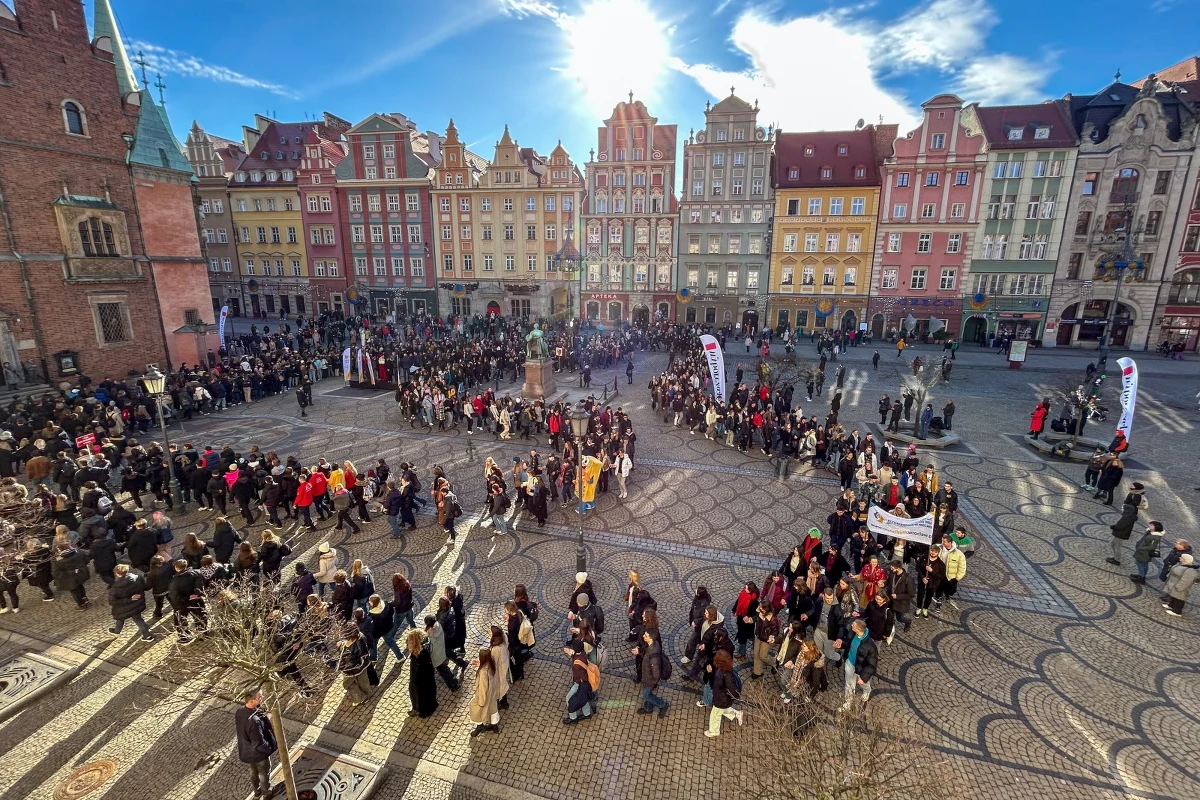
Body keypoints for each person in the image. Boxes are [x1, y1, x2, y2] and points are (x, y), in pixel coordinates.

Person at [235, 690, 278, 800]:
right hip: (259, 754)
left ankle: (257, 792)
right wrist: (271, 748)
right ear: (251, 700)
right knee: (263, 774)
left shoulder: (240, 711)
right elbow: (259, 744)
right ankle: (267, 793)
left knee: (253, 772)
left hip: (247, 751)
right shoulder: (254, 721)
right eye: (259, 697)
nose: (262, 697)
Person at [107, 564, 154, 642]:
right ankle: (147, 635)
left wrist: (129, 599)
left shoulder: (115, 587)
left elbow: (112, 601)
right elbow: (145, 587)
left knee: (122, 618)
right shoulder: (138, 578)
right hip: (137, 604)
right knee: (137, 619)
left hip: (123, 607)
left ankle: (117, 631)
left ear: (118, 574)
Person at [839, 618, 877, 710]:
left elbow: (871, 664)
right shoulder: (852, 633)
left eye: (853, 625)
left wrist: (864, 678)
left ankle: (867, 690)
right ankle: (848, 702)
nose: (851, 626)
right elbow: (848, 644)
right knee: (849, 684)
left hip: (860, 668)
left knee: (863, 683)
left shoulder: (870, 646)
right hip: (850, 663)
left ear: (859, 629)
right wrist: (841, 644)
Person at [704, 649, 742, 737]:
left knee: (715, 715)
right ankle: (737, 714)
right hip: (721, 697)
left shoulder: (726, 675)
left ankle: (714, 731)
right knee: (721, 710)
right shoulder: (722, 669)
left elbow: (732, 689)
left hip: (722, 698)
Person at [635, 627, 670, 717]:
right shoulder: (652, 645)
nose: (643, 636)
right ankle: (648, 708)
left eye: (646, 635)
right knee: (648, 694)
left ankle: (662, 704)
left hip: (649, 679)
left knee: (647, 695)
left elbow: (656, 673)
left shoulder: (653, 655)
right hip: (647, 677)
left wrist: (651, 682)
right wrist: (639, 651)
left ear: (650, 638)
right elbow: (647, 653)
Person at [337, 627, 377, 706]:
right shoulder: (361, 636)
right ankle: (368, 692)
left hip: (353, 670)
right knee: (363, 680)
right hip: (363, 665)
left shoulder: (351, 649)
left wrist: (340, 647)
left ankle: (359, 698)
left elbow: (348, 661)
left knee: (347, 684)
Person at [468, 646, 502, 736]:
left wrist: (481, 702)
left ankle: (480, 726)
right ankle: (495, 726)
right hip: (492, 693)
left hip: (484, 696)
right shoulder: (492, 663)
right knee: (493, 709)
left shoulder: (483, 672)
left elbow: (483, 688)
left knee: (475, 709)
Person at [424, 613, 461, 692]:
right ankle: (454, 683)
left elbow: (430, 643)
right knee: (444, 669)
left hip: (436, 656)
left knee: (444, 672)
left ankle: (454, 685)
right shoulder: (438, 625)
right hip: (441, 653)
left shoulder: (431, 633)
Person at [406, 629, 438, 718]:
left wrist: (415, 679)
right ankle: (417, 708)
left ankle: (418, 709)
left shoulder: (422, 653)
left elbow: (422, 668)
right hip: (420, 678)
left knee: (420, 695)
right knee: (418, 694)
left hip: (420, 679)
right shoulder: (420, 649)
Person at [562, 639, 595, 724]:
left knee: (569, 698)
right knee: (583, 698)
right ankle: (587, 714)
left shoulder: (576, 664)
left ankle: (573, 718)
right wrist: (570, 653)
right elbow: (577, 657)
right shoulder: (583, 653)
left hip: (579, 683)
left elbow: (576, 664)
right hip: (586, 683)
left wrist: (570, 654)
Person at [1106, 493, 1143, 566]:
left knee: (1117, 546)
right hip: (1120, 533)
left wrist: (1114, 527)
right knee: (1113, 544)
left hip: (1121, 533)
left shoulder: (1128, 517)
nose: (1122, 510)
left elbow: (1121, 525)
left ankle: (1117, 560)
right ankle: (1115, 557)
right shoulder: (1128, 515)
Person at [936, 535, 967, 608]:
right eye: (942, 541)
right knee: (939, 588)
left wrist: (957, 578)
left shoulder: (959, 554)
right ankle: (938, 601)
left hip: (951, 576)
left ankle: (947, 595)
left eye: (944, 541)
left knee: (951, 589)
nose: (942, 543)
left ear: (950, 542)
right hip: (940, 573)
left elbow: (962, 567)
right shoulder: (939, 548)